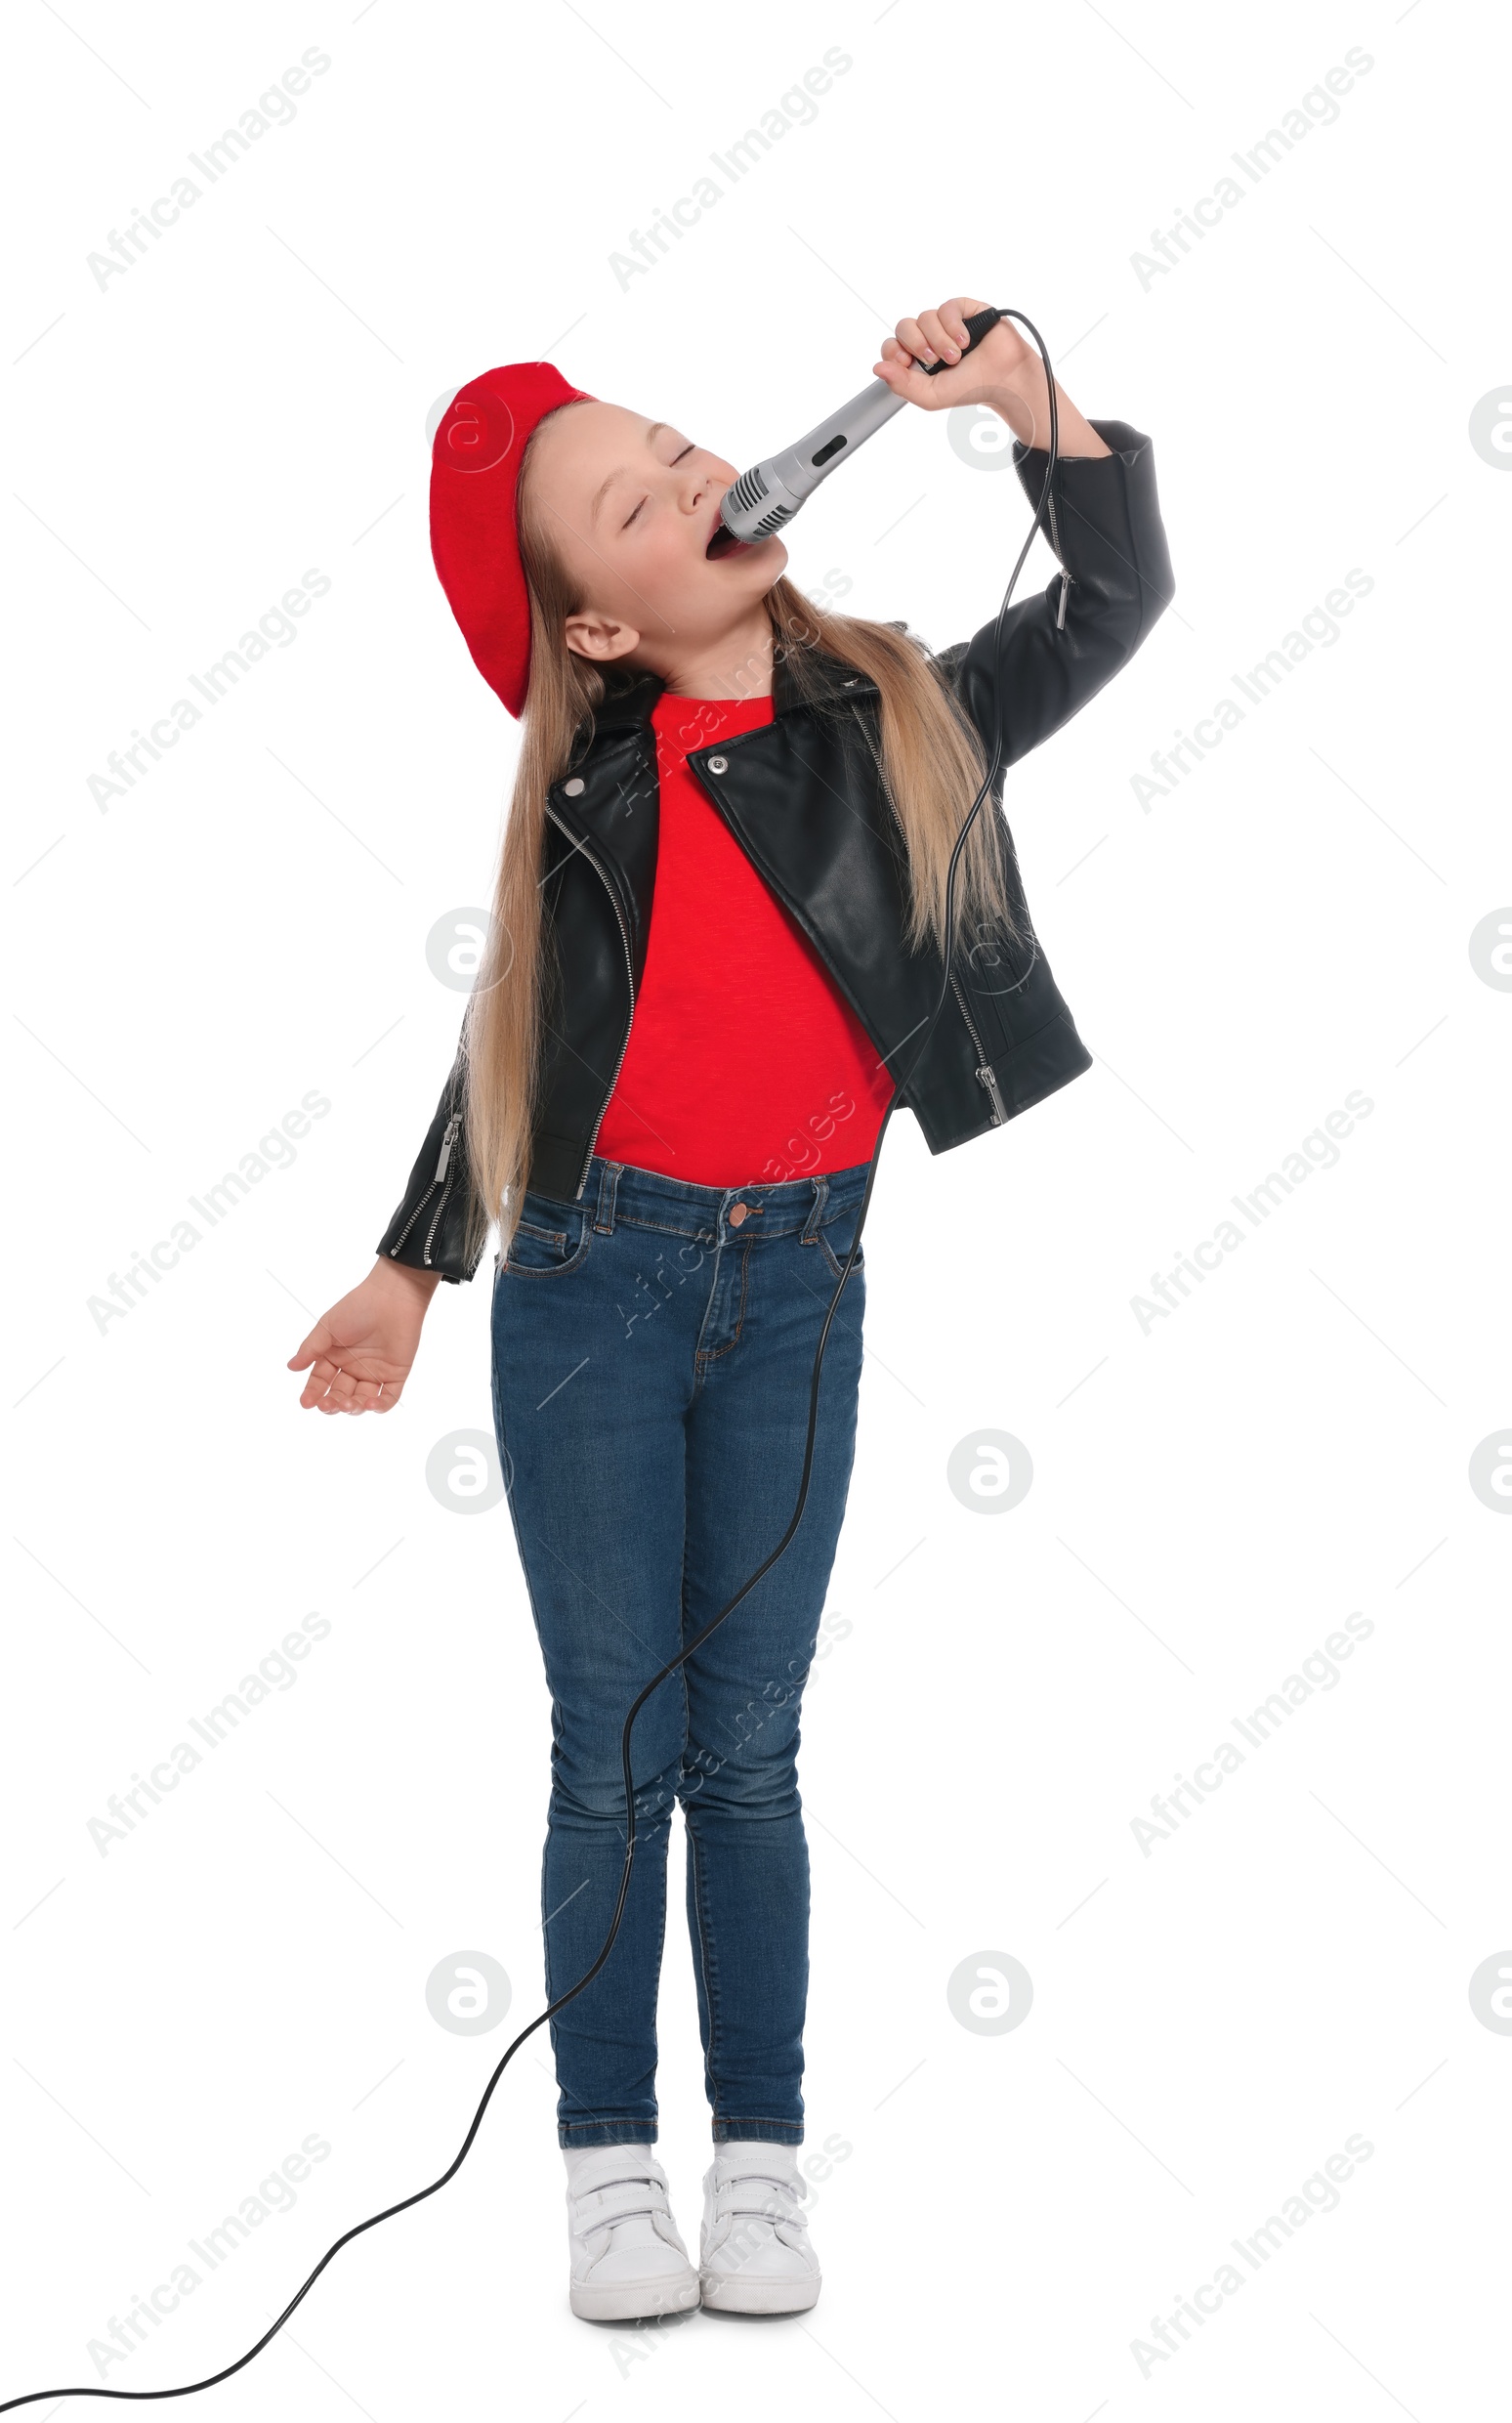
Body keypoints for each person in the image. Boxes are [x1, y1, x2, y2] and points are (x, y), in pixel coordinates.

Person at [287, 296, 1175, 2321]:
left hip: (794, 1287)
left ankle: (758, 2161)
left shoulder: (899, 722)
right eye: (632, 500)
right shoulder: (584, 810)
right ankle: (610, 2171)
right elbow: (507, 1050)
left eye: (678, 444)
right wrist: (411, 1264)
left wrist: (1021, 403)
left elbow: (1115, 594)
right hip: (592, 1288)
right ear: (592, 627)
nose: (697, 475)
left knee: (749, 1750)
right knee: (610, 1744)